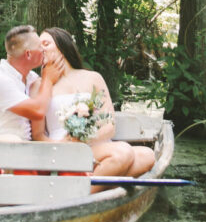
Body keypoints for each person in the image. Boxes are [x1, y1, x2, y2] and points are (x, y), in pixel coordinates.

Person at [35, 27, 156, 178]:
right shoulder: (39, 85)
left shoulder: (93, 78)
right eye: (38, 46)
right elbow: (38, 135)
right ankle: (97, 183)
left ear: (62, 46)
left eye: (45, 44)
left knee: (148, 155)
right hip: (62, 149)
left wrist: (83, 140)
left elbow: (110, 125)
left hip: (97, 146)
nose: (40, 49)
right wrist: (63, 145)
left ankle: (92, 181)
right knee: (123, 153)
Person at [0, 24, 59, 142]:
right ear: (28, 54)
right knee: (13, 139)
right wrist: (48, 79)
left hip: (20, 153)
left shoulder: (31, 77)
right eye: (39, 46)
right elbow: (37, 111)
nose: (43, 50)